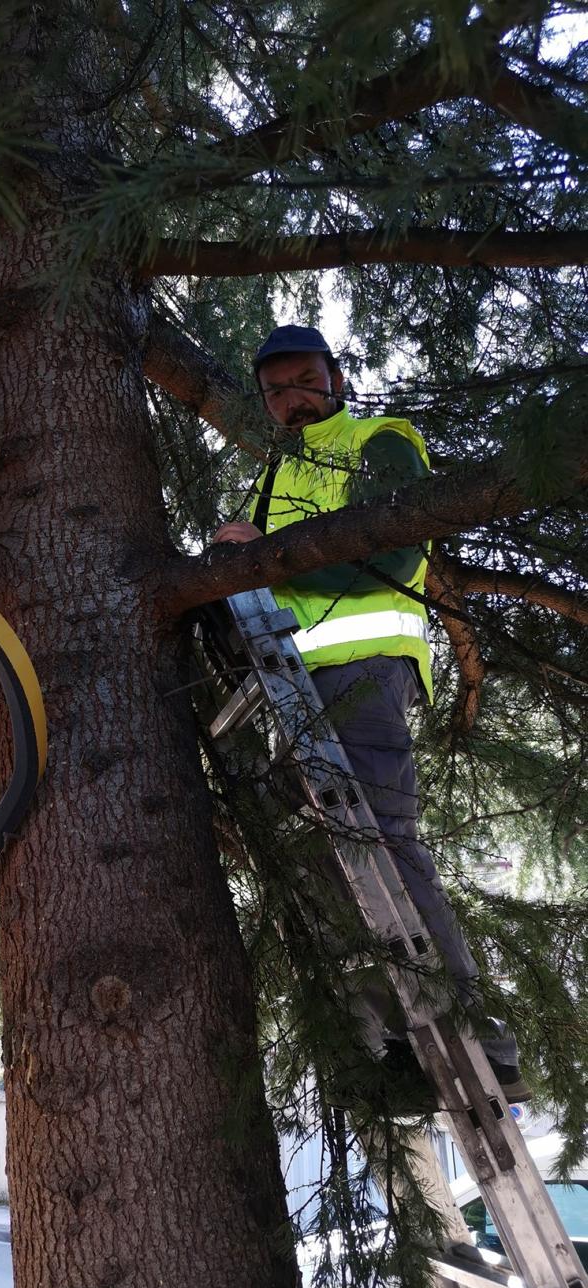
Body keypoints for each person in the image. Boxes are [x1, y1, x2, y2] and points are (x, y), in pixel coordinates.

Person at [213, 324, 528, 1104]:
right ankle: (398, 1045)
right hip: (295, 684)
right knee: (330, 864)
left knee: (386, 843)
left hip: (365, 670)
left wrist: (268, 553)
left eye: (304, 380)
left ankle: (482, 1043)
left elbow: (391, 550)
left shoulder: (378, 439)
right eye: (277, 389)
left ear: (335, 378)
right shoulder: (275, 475)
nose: (292, 398)